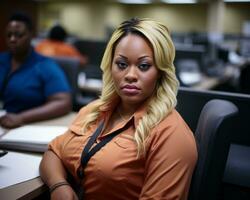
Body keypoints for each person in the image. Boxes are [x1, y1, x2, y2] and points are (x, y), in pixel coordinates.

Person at [40, 18, 197, 200]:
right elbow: (53, 152)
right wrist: (58, 185)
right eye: (122, 64)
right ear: (110, 66)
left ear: (161, 71)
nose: (130, 75)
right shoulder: (94, 110)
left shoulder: (172, 135)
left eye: (144, 66)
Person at [0, 12, 72, 129]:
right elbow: (83, 61)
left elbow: (63, 102)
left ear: (31, 35)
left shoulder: (45, 65)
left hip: (26, 125)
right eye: (8, 35)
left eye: (19, 35)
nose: (12, 39)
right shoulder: (2, 59)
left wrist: (22, 118)